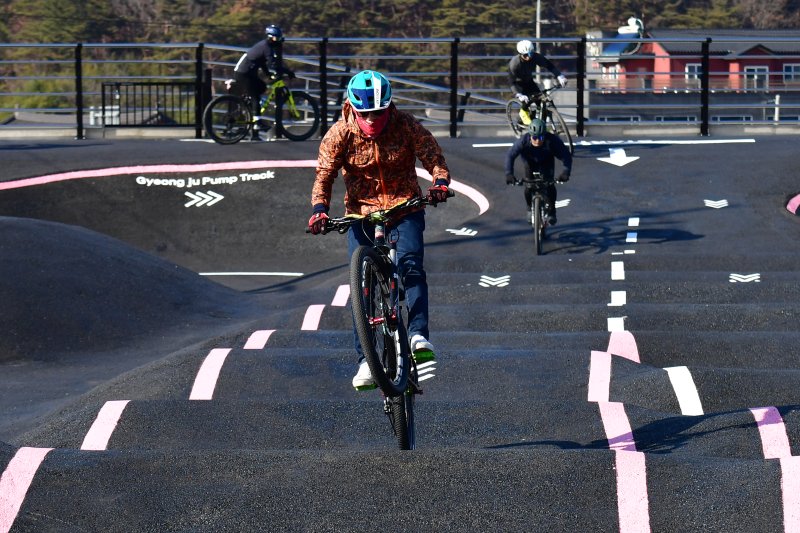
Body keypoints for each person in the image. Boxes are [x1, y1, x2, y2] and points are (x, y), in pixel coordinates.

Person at [307, 70, 451, 391]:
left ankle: (418, 335)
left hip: (404, 206)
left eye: (379, 112)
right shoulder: (339, 134)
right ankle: (366, 361)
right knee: (361, 285)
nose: (372, 119)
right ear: (353, 109)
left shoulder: (406, 125)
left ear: (389, 107)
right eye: (365, 114)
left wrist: (440, 182)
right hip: (360, 212)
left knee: (411, 266)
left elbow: (433, 157)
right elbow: (324, 175)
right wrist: (319, 209)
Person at [504, 118, 572, 225]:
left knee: (549, 185)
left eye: (540, 137)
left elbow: (566, 155)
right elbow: (510, 155)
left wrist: (566, 172)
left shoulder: (552, 140)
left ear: (544, 136)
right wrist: (509, 174)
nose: (537, 141)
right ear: (530, 136)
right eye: (535, 137)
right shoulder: (523, 141)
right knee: (528, 186)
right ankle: (529, 208)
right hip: (529, 163)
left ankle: (552, 211)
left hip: (546, 162)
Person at [233, 24, 295, 139]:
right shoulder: (266, 47)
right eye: (276, 38)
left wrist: (268, 75)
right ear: (270, 37)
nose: (278, 41)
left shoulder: (264, 45)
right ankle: (257, 122)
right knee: (255, 95)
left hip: (246, 72)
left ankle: (251, 112)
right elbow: (272, 64)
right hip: (244, 73)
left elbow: (262, 63)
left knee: (261, 86)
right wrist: (287, 71)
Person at [508, 39, 568, 125]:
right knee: (526, 100)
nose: (528, 57)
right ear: (520, 54)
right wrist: (518, 94)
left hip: (529, 81)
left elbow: (549, 65)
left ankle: (539, 121)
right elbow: (511, 81)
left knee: (540, 100)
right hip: (518, 84)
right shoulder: (514, 63)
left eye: (530, 54)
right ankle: (523, 112)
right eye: (525, 55)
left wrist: (559, 76)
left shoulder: (535, 57)